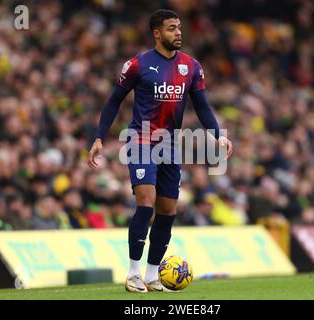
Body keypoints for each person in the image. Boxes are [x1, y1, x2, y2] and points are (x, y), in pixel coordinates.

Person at [88, 9, 233, 292]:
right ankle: (133, 273)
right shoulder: (137, 65)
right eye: (171, 28)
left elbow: (201, 105)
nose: (178, 32)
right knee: (146, 203)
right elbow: (114, 101)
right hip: (141, 141)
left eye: (179, 27)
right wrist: (98, 137)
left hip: (170, 146)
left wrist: (218, 135)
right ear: (157, 33)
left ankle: (153, 275)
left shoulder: (191, 66)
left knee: (168, 211)